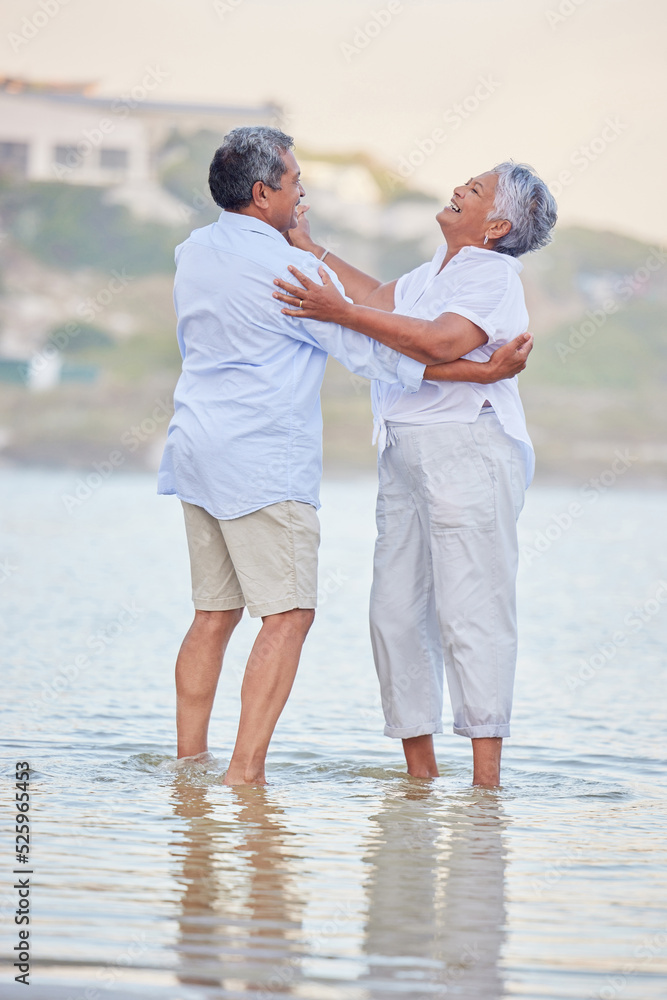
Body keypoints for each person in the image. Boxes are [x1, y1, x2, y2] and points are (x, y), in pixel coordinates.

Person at [158, 126, 531, 785]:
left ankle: (191, 765)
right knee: (298, 612)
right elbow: (376, 337)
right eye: (295, 182)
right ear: (262, 192)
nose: (302, 191)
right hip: (263, 461)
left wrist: (316, 260)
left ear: (497, 224)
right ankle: (245, 775)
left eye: (471, 191)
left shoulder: (194, 251)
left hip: (199, 447)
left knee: (214, 612)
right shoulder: (290, 272)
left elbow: (387, 314)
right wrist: (477, 374)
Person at [274, 161, 557, 786]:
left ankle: (487, 785)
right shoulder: (440, 270)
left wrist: (338, 313)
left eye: (475, 191)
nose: (459, 188)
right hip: (405, 449)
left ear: (497, 225)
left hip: (469, 447)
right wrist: (308, 248)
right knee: (395, 613)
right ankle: (421, 780)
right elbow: (378, 299)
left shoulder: (493, 276)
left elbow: (437, 342)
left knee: (471, 610)